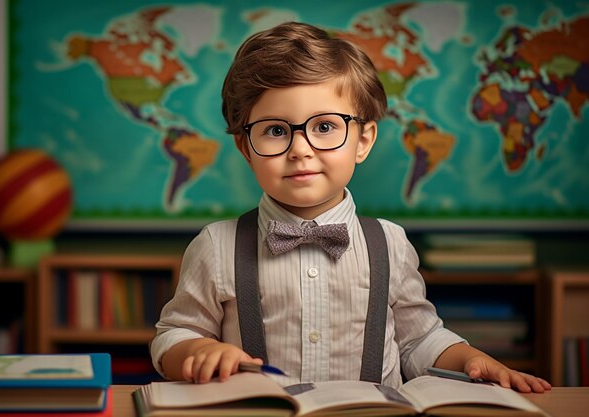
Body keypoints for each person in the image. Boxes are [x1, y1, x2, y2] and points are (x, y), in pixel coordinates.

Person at [150, 21, 551, 393]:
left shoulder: (390, 242)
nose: (300, 149)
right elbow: (173, 335)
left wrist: (473, 359)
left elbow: (419, 339)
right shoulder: (216, 246)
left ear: (363, 140)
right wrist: (195, 351)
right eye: (275, 131)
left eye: (324, 127)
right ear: (245, 147)